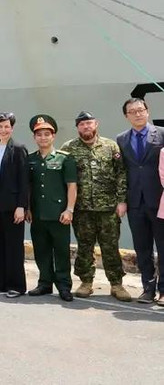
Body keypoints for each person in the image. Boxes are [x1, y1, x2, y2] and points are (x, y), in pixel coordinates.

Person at [61, 111, 131, 301]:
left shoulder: (110, 146)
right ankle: (86, 282)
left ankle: (116, 284)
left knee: (110, 247)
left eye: (89, 123)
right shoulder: (68, 148)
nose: (86, 127)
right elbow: (63, 179)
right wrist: (68, 207)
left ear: (96, 124)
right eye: (82, 124)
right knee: (84, 247)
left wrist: (121, 200)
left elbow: (121, 174)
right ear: (77, 127)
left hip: (108, 208)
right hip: (82, 209)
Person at [117, 98, 164, 304]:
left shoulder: (161, 134)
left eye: (140, 110)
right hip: (134, 201)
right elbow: (120, 172)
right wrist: (122, 199)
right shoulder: (121, 139)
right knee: (142, 248)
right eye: (132, 111)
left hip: (159, 201)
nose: (137, 114)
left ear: (147, 111)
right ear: (126, 115)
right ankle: (148, 288)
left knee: (163, 247)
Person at [25, 115, 77, 302]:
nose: (43, 138)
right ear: (34, 138)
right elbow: (29, 187)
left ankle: (64, 285)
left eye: (47, 134)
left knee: (61, 251)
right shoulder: (30, 160)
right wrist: (28, 208)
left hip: (59, 215)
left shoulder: (65, 159)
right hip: (38, 214)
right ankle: (45, 283)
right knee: (41, 250)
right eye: (39, 135)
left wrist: (69, 209)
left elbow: (72, 185)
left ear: (53, 136)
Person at [0, 112, 28, 298]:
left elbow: (24, 180)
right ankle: (2, 281)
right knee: (0, 243)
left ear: (12, 128)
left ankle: (17, 285)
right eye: (0, 126)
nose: (3, 130)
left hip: (12, 205)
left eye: (6, 126)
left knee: (14, 245)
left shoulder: (18, 148)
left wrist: (21, 206)